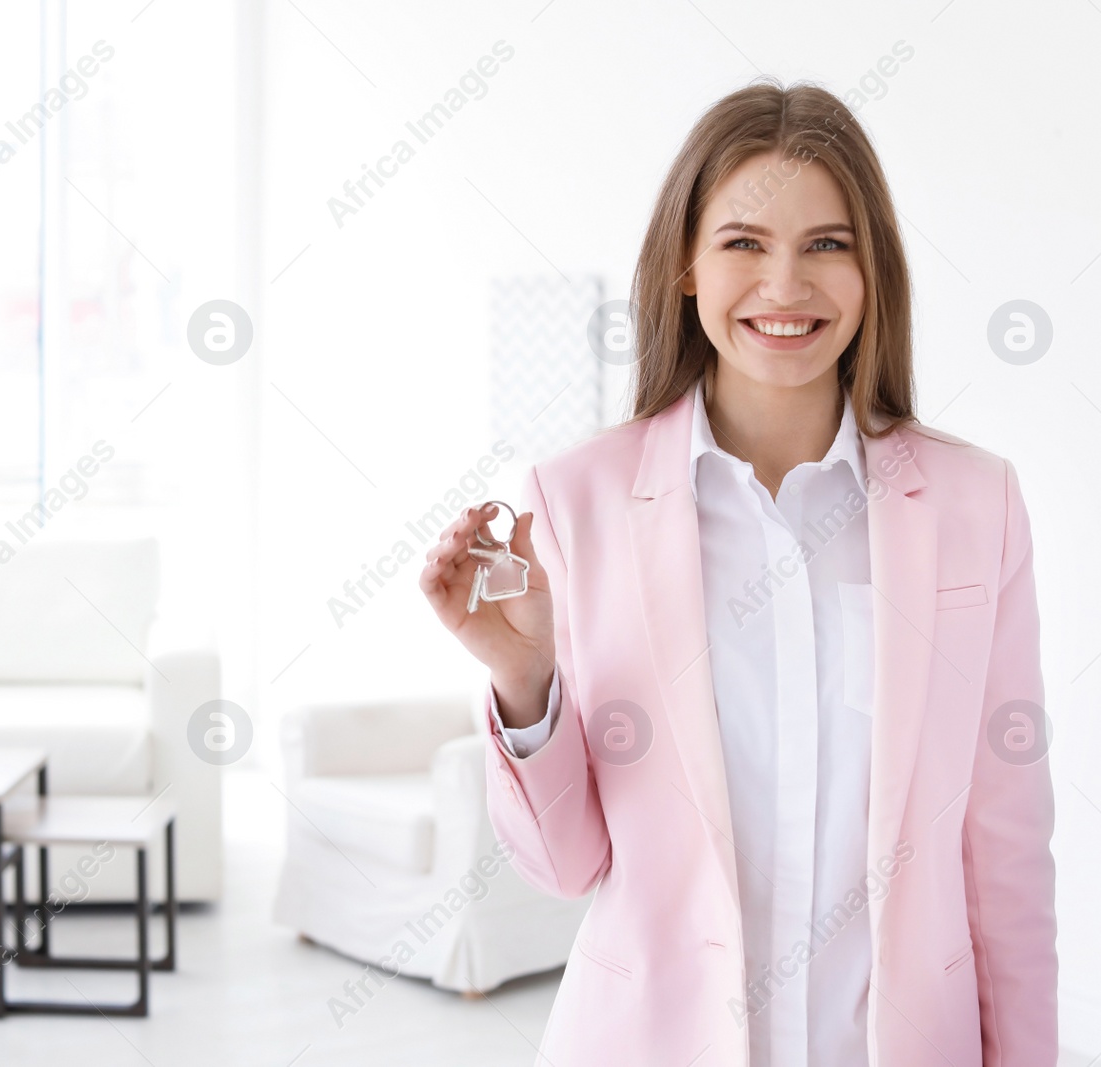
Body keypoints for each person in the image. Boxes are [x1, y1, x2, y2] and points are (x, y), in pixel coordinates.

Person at [419, 78, 1057, 1066]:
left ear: (871, 268)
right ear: (685, 264)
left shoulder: (976, 506)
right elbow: (564, 864)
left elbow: (1005, 857)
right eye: (743, 243)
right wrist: (525, 683)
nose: (786, 285)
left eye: (826, 245)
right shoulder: (575, 500)